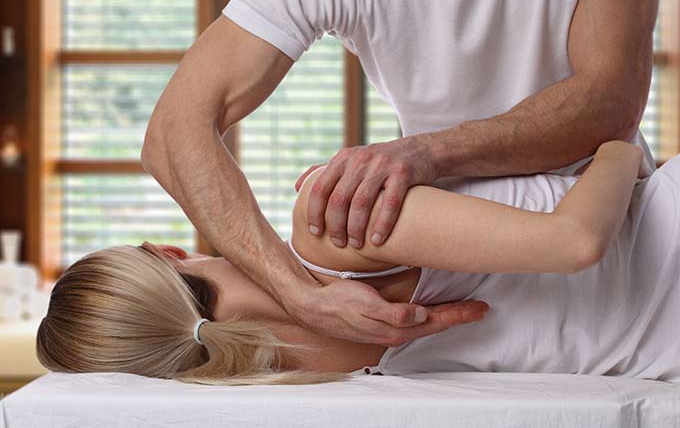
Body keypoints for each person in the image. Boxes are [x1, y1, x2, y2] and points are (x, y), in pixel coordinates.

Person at [141, 0, 658, 346]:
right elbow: (173, 133)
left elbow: (611, 103)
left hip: (609, 209)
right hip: (454, 225)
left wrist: (428, 151)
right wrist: (299, 295)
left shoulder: (338, 245)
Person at [38, 140, 680, 384]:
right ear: (167, 251)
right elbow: (574, 244)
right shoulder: (329, 232)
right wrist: (615, 150)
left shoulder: (306, 384)